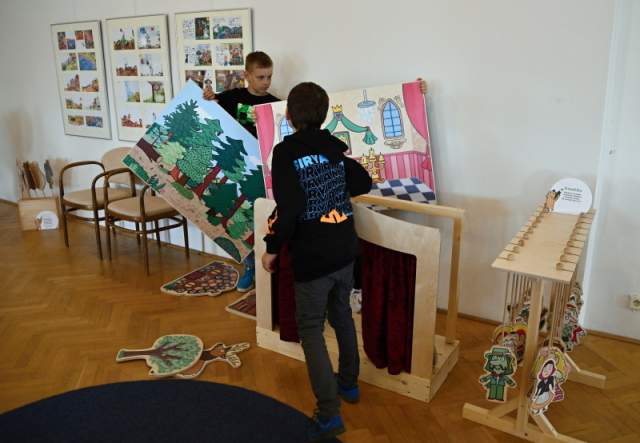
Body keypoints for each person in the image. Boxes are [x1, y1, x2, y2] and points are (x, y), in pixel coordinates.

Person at [261, 82, 373, 441]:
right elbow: (363, 181)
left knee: (310, 329)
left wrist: (272, 247)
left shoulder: (285, 152)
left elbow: (290, 208)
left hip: (313, 255)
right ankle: (349, 384)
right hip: (344, 249)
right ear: (324, 115)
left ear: (289, 115)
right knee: (341, 315)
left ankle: (328, 414)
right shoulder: (334, 148)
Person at [203, 51, 280, 292]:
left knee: (266, 221)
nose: (266, 82)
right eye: (260, 77)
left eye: (269, 76)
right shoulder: (232, 97)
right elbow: (211, 104)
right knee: (239, 220)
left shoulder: (276, 104)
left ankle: (268, 269)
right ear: (247, 75)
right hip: (236, 168)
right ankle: (249, 268)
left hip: (264, 174)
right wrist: (208, 97)